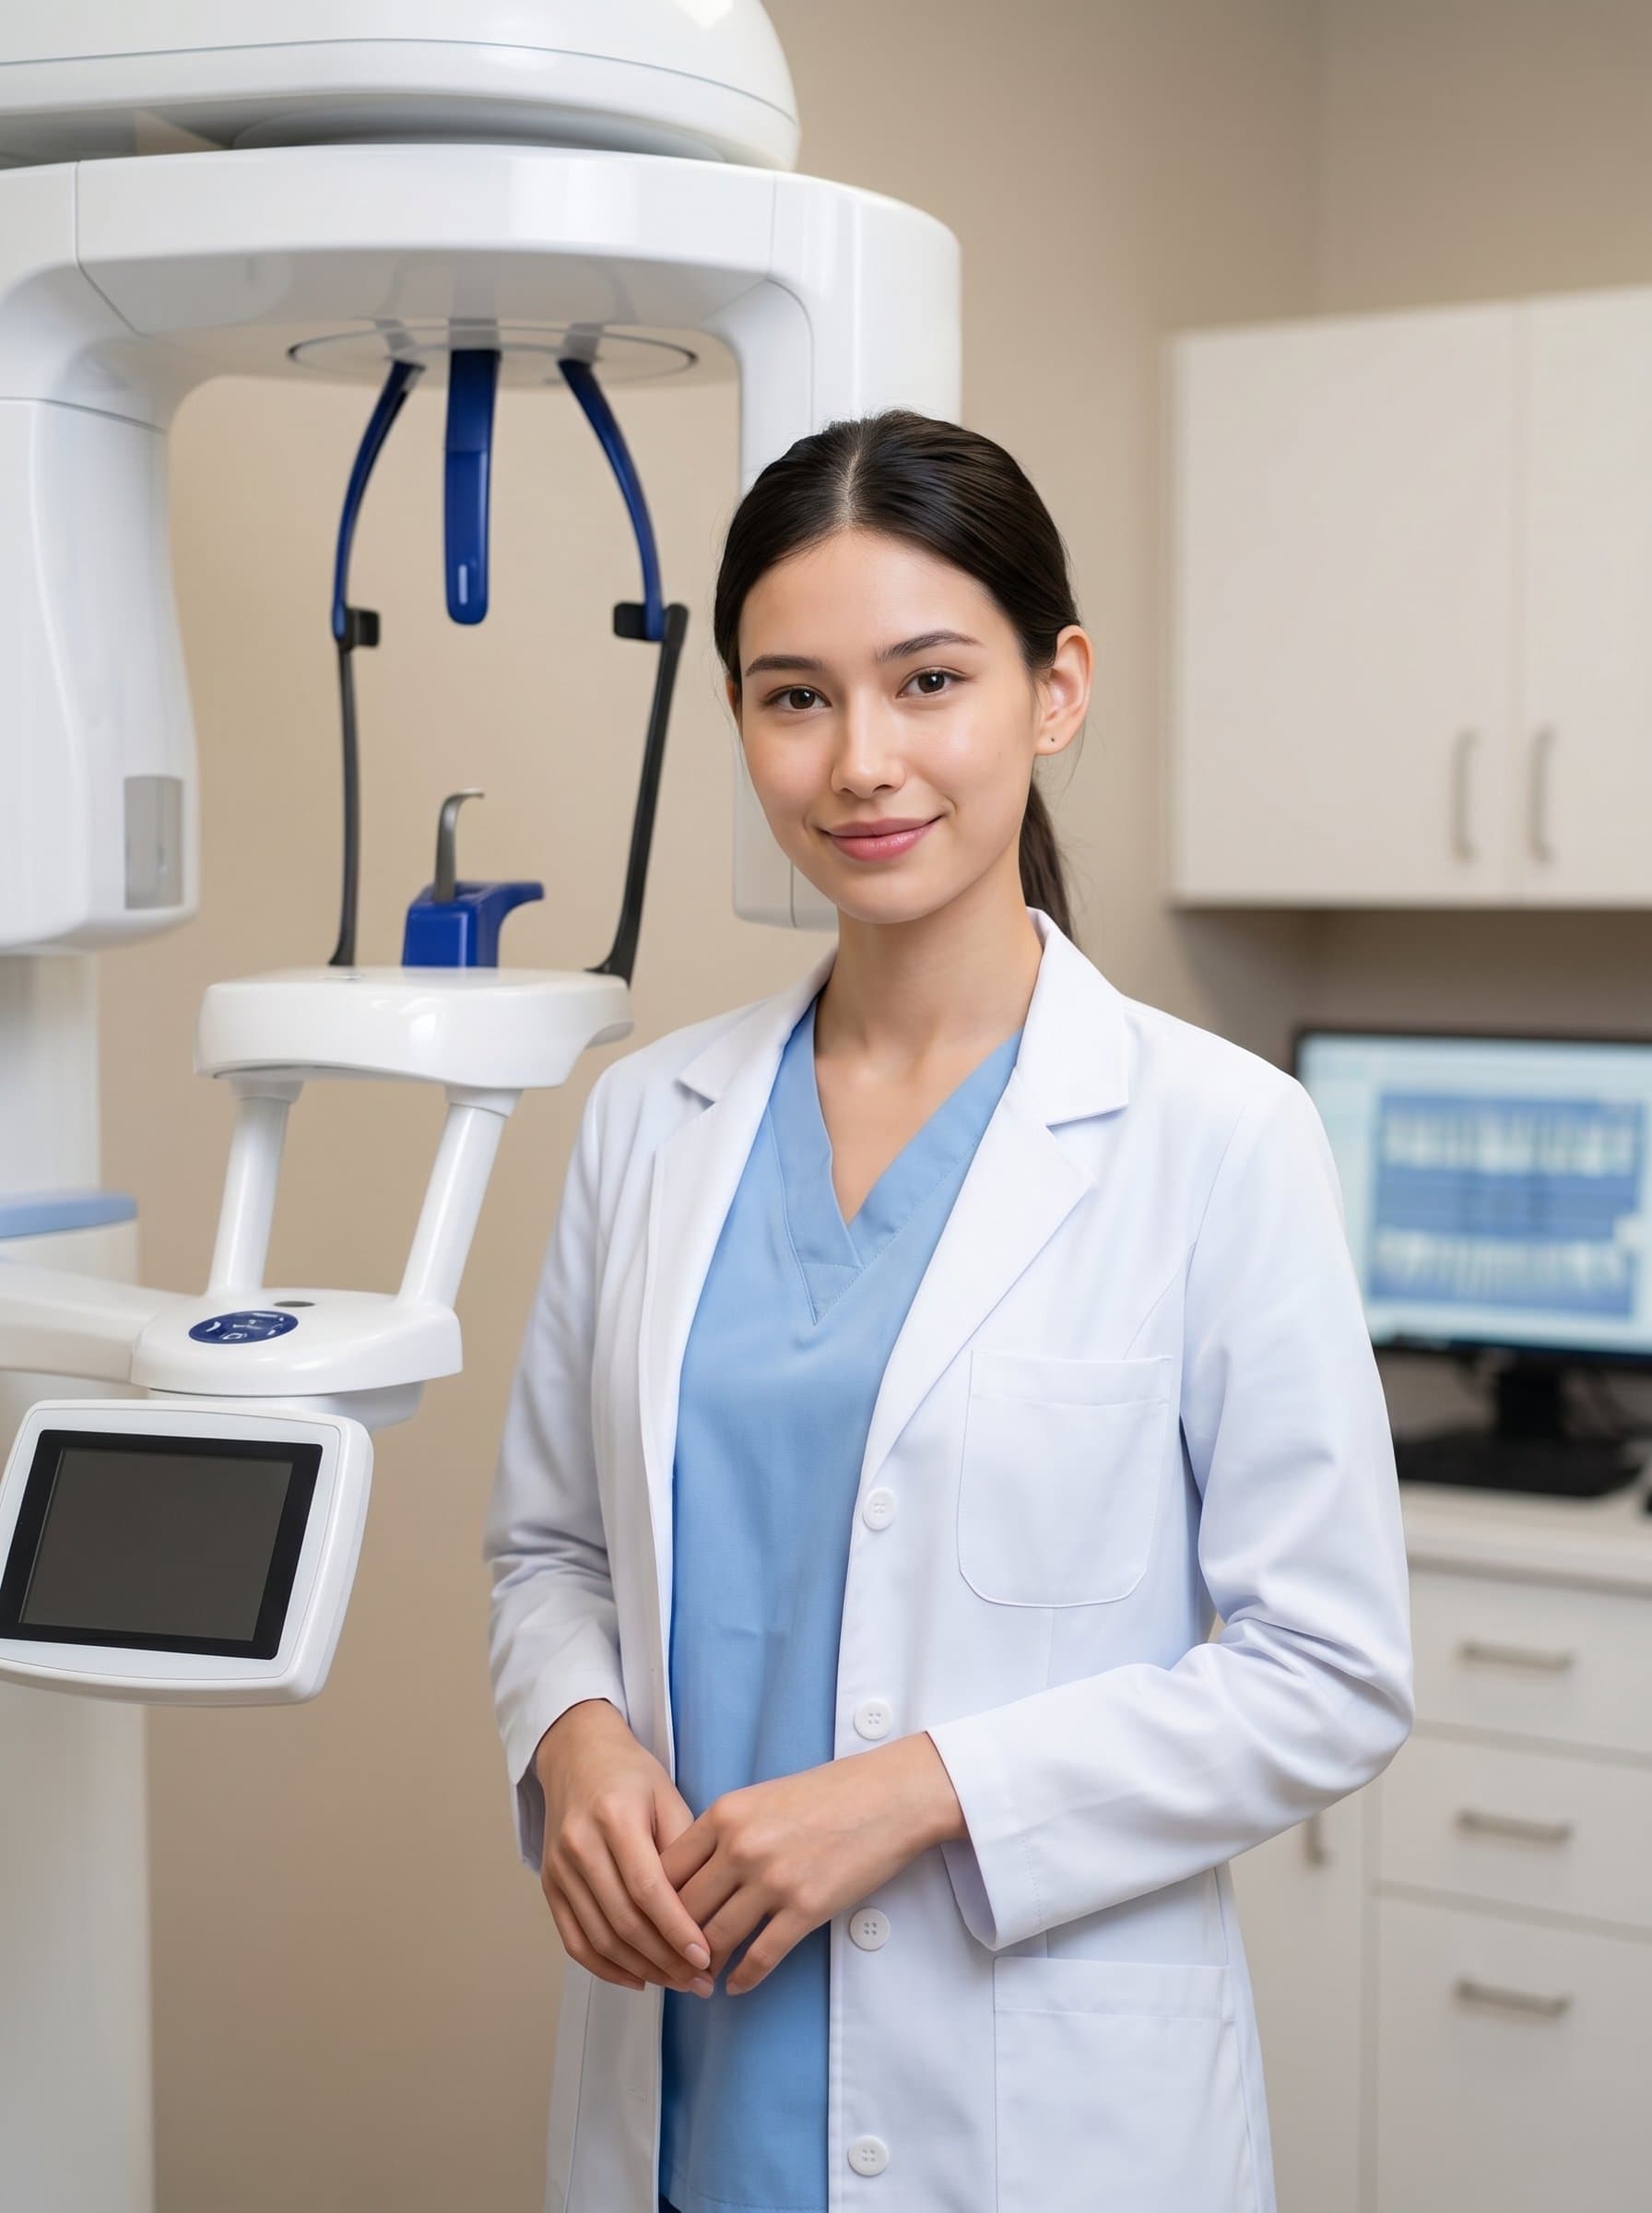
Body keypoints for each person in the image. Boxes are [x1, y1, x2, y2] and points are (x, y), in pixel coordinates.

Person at [482, 408, 1415, 2213]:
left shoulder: (1215, 1138)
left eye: (926, 681)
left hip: (1036, 2116)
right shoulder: (648, 1126)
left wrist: (918, 1791)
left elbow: (1325, 1674)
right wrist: (570, 1734)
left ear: (1053, 689)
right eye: (794, 696)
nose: (861, 762)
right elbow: (548, 1549)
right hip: (681, 2093)